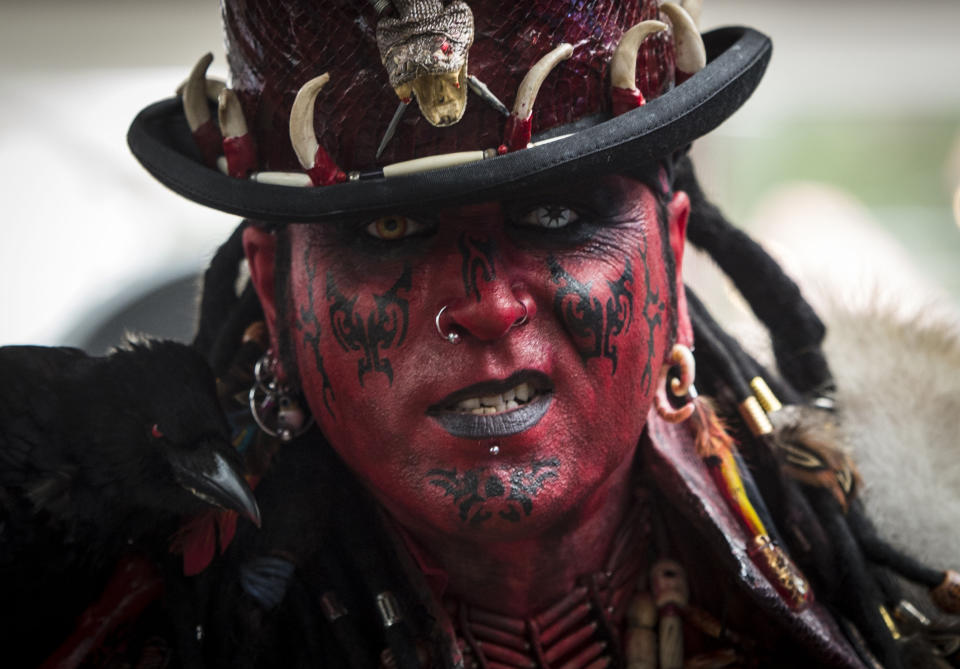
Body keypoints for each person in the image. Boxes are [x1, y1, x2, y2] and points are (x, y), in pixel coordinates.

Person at [20, 0, 960, 667]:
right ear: (275, 293)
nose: (487, 304)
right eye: (388, 230)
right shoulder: (135, 622)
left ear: (670, 262)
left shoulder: (907, 578)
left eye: (556, 217)